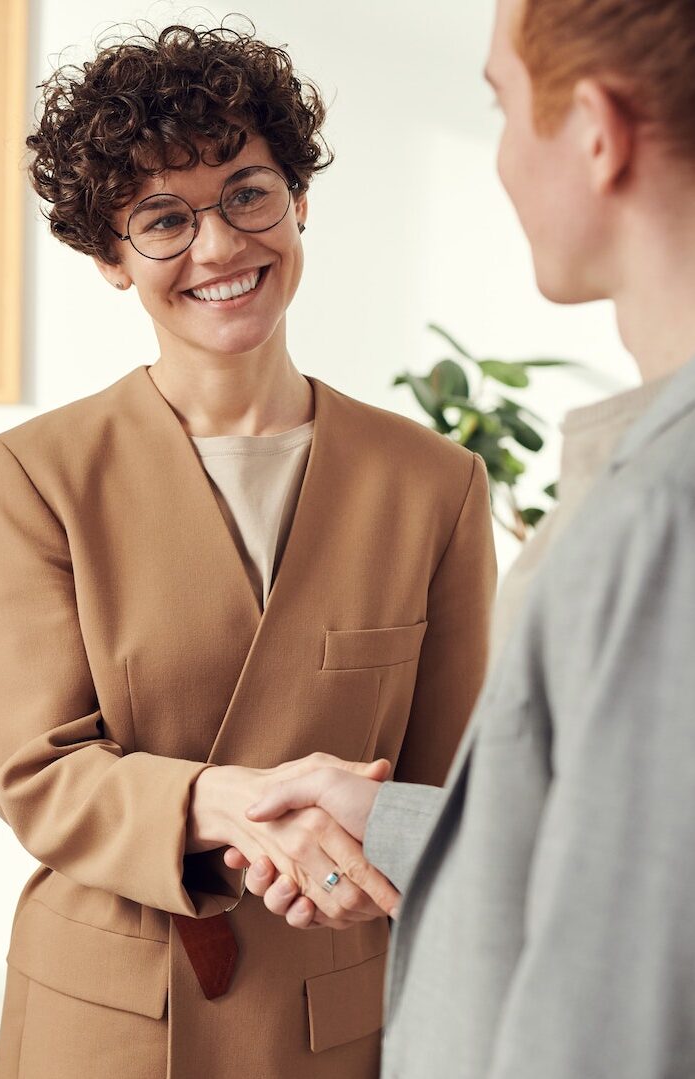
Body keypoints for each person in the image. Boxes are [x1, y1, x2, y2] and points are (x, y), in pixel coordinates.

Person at [0, 23, 497, 1079]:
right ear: (110, 257)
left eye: (246, 194)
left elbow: (440, 802)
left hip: (333, 1006)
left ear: (298, 200)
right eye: (162, 219)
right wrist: (249, 805)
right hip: (107, 1013)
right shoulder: (35, 472)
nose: (216, 248)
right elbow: (36, 772)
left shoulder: (435, 484)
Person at [239, 0, 695, 1075]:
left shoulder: (658, 510)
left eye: (501, 105)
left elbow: (619, 1003)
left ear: (594, 129)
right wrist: (398, 823)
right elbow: (619, 849)